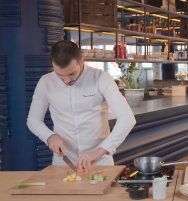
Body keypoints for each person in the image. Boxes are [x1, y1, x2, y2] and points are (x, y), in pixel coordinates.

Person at [27, 41, 136, 172]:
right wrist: (49, 137)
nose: (67, 80)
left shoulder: (101, 78)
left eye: (71, 73)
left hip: (99, 161)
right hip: (63, 163)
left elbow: (127, 118)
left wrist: (100, 151)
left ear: (81, 61)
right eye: (60, 75)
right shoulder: (45, 82)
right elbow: (33, 120)